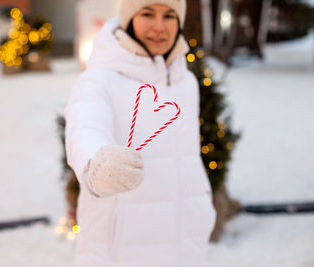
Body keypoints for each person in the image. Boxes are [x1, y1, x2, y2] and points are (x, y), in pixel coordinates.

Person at [64, 0, 216, 266]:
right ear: (129, 18)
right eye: (147, 13)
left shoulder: (186, 81)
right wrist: (97, 163)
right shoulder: (99, 80)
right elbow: (85, 128)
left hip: (186, 245)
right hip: (122, 252)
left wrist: (202, 205)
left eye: (169, 15)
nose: (159, 26)